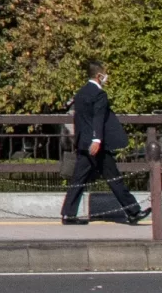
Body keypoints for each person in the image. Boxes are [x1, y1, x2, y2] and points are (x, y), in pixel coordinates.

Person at [61, 60, 145, 225]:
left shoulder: (80, 93)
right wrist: (97, 139)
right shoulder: (99, 95)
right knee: (114, 178)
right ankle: (133, 211)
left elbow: (80, 119)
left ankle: (68, 214)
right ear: (99, 76)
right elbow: (97, 118)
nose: (107, 77)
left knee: (79, 179)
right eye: (105, 74)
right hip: (95, 145)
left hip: (83, 143)